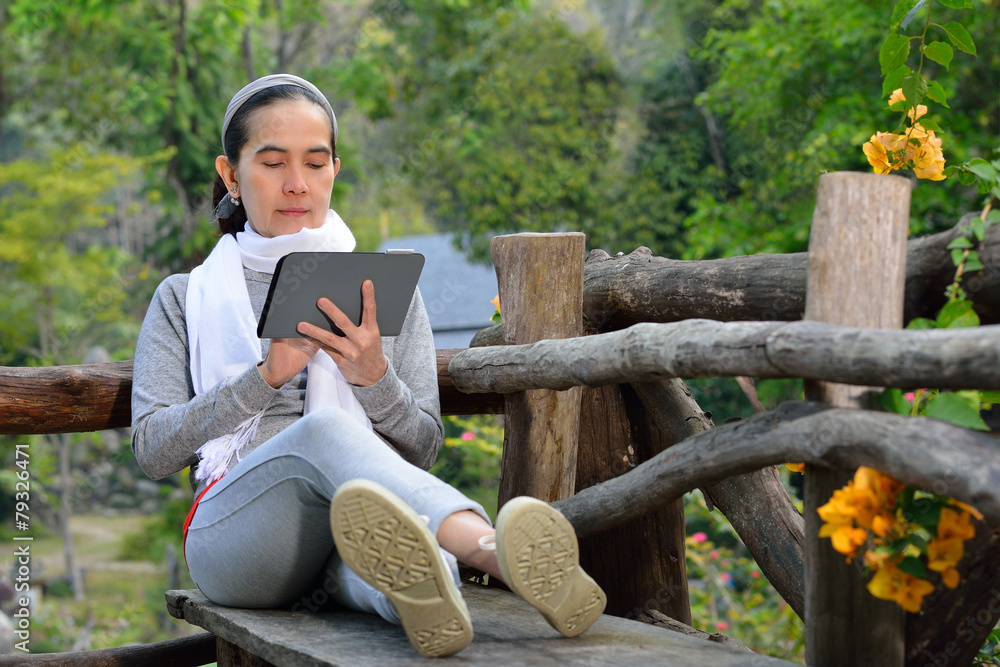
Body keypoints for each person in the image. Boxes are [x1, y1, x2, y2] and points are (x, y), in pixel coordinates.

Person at [131, 73, 606, 658]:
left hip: (344, 534)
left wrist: (374, 378)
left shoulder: (376, 288)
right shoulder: (185, 297)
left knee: (395, 558)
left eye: (315, 162)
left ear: (336, 169)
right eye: (273, 163)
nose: (297, 184)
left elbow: (422, 447)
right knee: (328, 432)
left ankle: (436, 598)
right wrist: (264, 378)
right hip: (237, 545)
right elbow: (152, 450)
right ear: (230, 174)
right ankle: (491, 549)